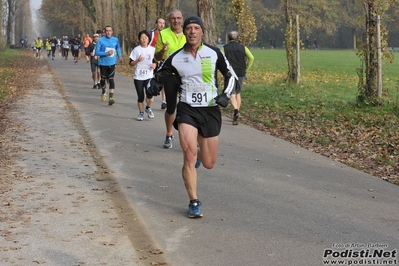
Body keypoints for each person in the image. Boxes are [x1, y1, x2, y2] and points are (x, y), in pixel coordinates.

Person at [147, 16, 237, 218]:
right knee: (188, 154)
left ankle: (197, 157)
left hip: (210, 109)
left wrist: (225, 95)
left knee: (209, 162)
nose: (192, 31)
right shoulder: (176, 57)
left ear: (202, 32)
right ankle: (194, 201)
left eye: (196, 28)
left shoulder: (214, 53)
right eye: (189, 28)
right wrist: (153, 85)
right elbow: (160, 73)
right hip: (187, 109)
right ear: (185, 32)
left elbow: (231, 76)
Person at [154, 9, 186, 149]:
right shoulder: (163, 34)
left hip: (187, 75)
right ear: (169, 20)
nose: (176, 21)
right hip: (170, 75)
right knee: (171, 106)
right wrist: (162, 51)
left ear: (182, 19)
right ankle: (169, 134)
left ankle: (190, 136)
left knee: (189, 107)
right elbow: (157, 57)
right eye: (173, 18)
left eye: (178, 18)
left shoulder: (189, 31)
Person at [222, 31, 254, 125]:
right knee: (238, 92)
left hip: (230, 73)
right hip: (241, 73)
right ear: (237, 39)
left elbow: (221, 59)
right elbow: (251, 58)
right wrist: (246, 68)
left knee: (231, 93)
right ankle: (237, 114)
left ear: (228, 39)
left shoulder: (224, 48)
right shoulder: (243, 48)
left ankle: (236, 111)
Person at [129, 30, 157, 121]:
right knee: (140, 96)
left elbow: (157, 61)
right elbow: (130, 64)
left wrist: (155, 65)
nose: (144, 39)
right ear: (139, 39)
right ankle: (141, 113)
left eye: (145, 37)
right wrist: (137, 60)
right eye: (142, 38)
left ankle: (148, 107)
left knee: (149, 94)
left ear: (148, 39)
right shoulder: (136, 50)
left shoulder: (152, 50)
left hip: (149, 76)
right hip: (138, 76)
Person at [95, 25, 123, 106]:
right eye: (107, 31)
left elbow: (118, 48)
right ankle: (103, 91)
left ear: (112, 31)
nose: (108, 32)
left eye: (110, 30)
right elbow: (97, 52)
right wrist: (106, 53)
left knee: (111, 79)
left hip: (112, 63)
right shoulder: (100, 40)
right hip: (103, 63)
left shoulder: (115, 40)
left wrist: (120, 56)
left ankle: (111, 98)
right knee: (103, 79)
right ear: (104, 32)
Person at [149, 17, 167, 109]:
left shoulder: (166, 34)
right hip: (153, 59)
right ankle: (150, 97)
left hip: (163, 60)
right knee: (153, 79)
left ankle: (164, 101)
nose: (162, 25)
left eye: (163, 23)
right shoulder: (151, 34)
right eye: (160, 23)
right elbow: (148, 47)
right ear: (156, 24)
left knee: (163, 80)